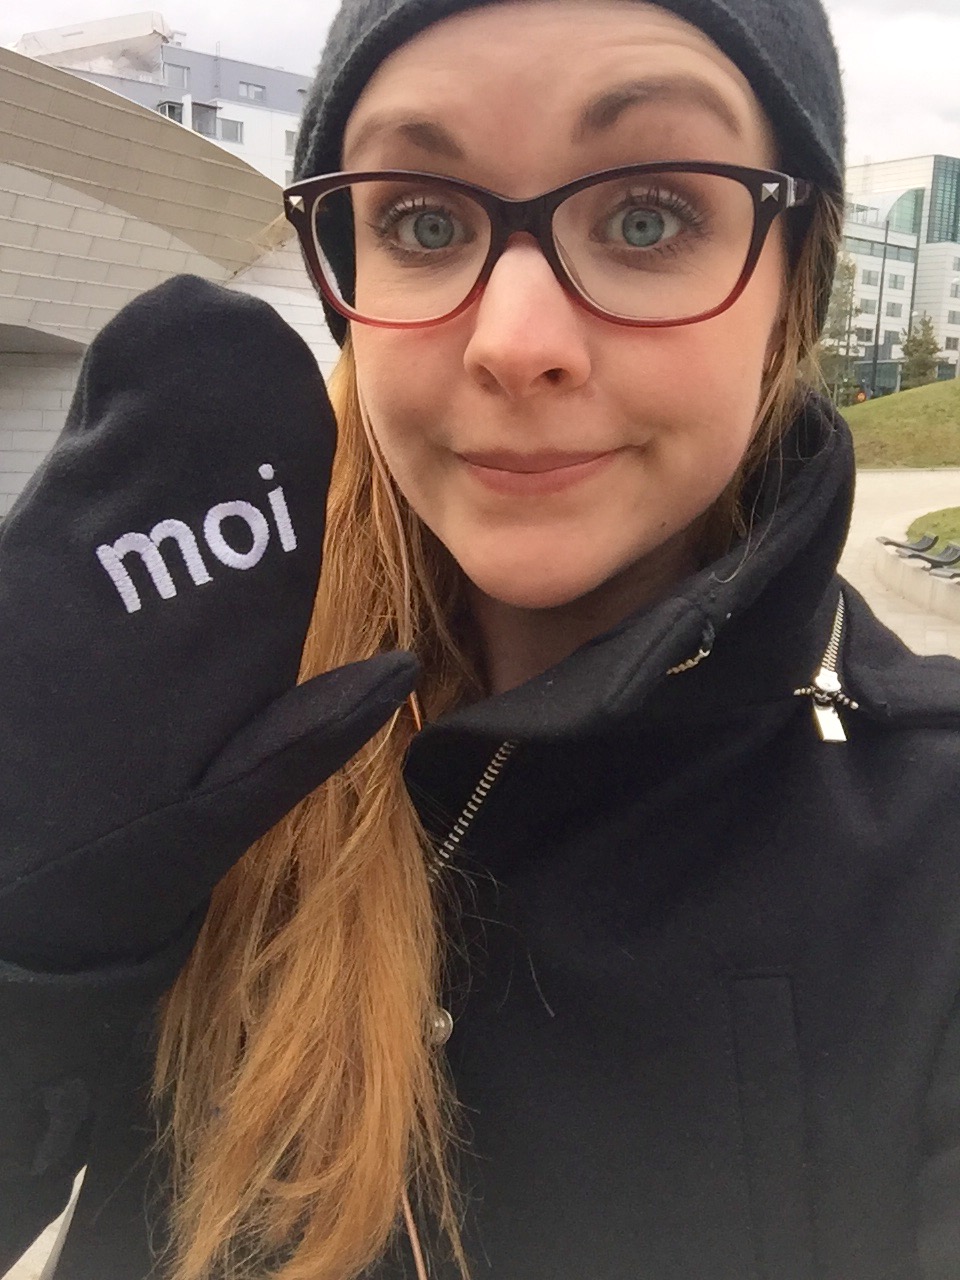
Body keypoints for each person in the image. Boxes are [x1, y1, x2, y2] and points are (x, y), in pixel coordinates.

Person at [2, 0, 960, 1277]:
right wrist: (30, 966)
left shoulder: (932, 854)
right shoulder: (192, 709)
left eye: (647, 217)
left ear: (795, 277)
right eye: (423, 221)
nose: (515, 344)